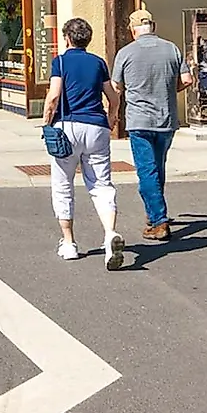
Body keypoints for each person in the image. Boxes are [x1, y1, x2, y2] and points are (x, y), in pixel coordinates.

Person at [43, 17, 126, 269]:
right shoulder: (98, 63)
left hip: (67, 126)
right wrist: (111, 119)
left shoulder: (61, 61)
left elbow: (54, 96)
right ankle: (110, 233)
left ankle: (68, 243)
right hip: (96, 127)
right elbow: (113, 97)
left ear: (67, 38)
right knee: (101, 183)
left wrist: (47, 122)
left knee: (63, 184)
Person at [110, 11, 191, 241]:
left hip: (139, 120)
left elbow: (116, 87)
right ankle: (155, 211)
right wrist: (167, 91)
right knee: (158, 167)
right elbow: (186, 80)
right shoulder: (171, 49)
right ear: (152, 26)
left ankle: (158, 220)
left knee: (146, 170)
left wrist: (113, 115)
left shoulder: (125, 53)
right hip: (166, 119)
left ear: (132, 30)